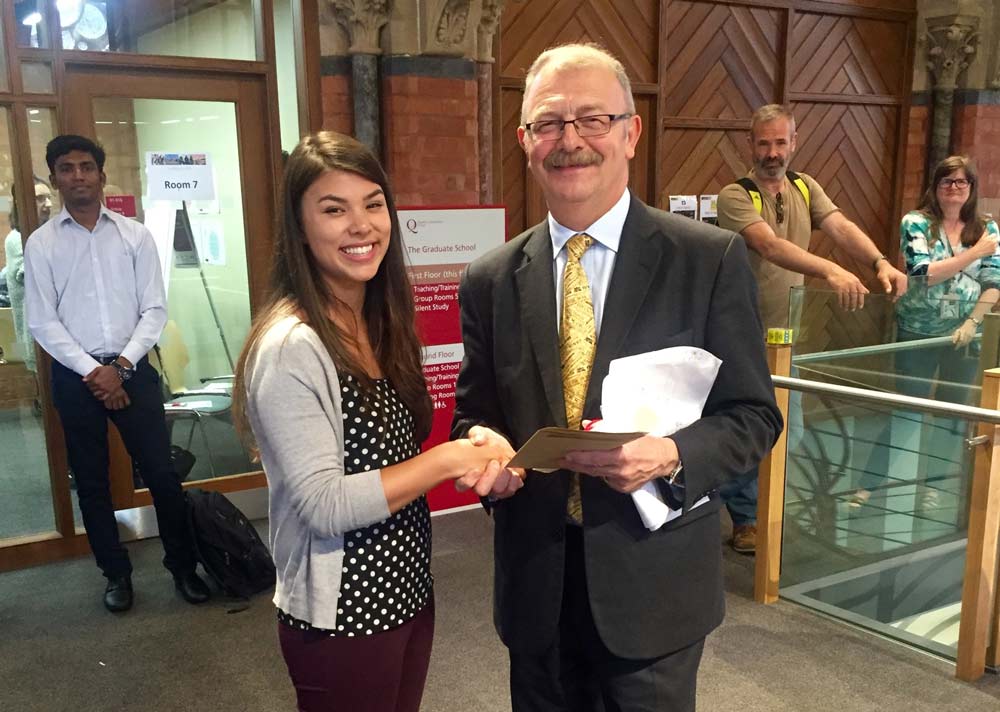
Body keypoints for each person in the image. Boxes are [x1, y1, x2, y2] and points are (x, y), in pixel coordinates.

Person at [451, 43, 782, 712]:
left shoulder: (707, 259)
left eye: (593, 120)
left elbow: (753, 415)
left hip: (655, 587)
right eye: (549, 123)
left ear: (631, 133)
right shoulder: (489, 279)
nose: (570, 140)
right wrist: (487, 453)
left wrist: (672, 454)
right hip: (536, 584)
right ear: (525, 141)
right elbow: (473, 413)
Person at [232, 131, 513, 712]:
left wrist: (475, 442)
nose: (361, 225)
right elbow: (324, 505)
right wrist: (450, 459)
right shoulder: (293, 345)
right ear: (301, 227)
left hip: (407, 586)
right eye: (334, 209)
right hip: (343, 612)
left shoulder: (380, 322)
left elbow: (390, 457)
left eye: (373, 204)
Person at [24, 135, 209, 612]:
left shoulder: (135, 235)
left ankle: (183, 568)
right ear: (55, 177)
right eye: (67, 168)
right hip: (75, 376)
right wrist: (95, 373)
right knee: (91, 481)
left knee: (163, 475)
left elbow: (154, 308)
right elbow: (43, 320)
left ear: (102, 176)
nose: (79, 175)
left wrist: (120, 368)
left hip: (133, 370)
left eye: (87, 166)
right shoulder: (41, 244)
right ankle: (116, 574)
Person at [716, 104, 908, 553]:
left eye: (780, 142)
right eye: (763, 143)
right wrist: (831, 272)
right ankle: (743, 515)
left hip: (789, 338)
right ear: (751, 144)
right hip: (744, 336)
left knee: (791, 430)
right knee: (750, 427)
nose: (772, 152)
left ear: (794, 143)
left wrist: (879, 261)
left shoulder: (804, 186)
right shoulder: (736, 194)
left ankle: (756, 506)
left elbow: (840, 226)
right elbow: (770, 245)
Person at [851, 155, 1000, 506]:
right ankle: (866, 487)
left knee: (953, 415)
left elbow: (993, 282)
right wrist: (974, 253)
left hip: (965, 337)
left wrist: (971, 322)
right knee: (906, 410)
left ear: (972, 188)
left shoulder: (987, 228)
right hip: (918, 331)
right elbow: (923, 273)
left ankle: (932, 487)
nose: (953, 188)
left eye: (961, 182)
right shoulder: (916, 223)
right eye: (946, 181)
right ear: (935, 187)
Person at [5, 176, 52, 373]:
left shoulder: (46, 235)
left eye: (49, 197)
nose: (48, 204)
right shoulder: (17, 239)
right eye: (40, 198)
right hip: (40, 340)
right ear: (21, 202)